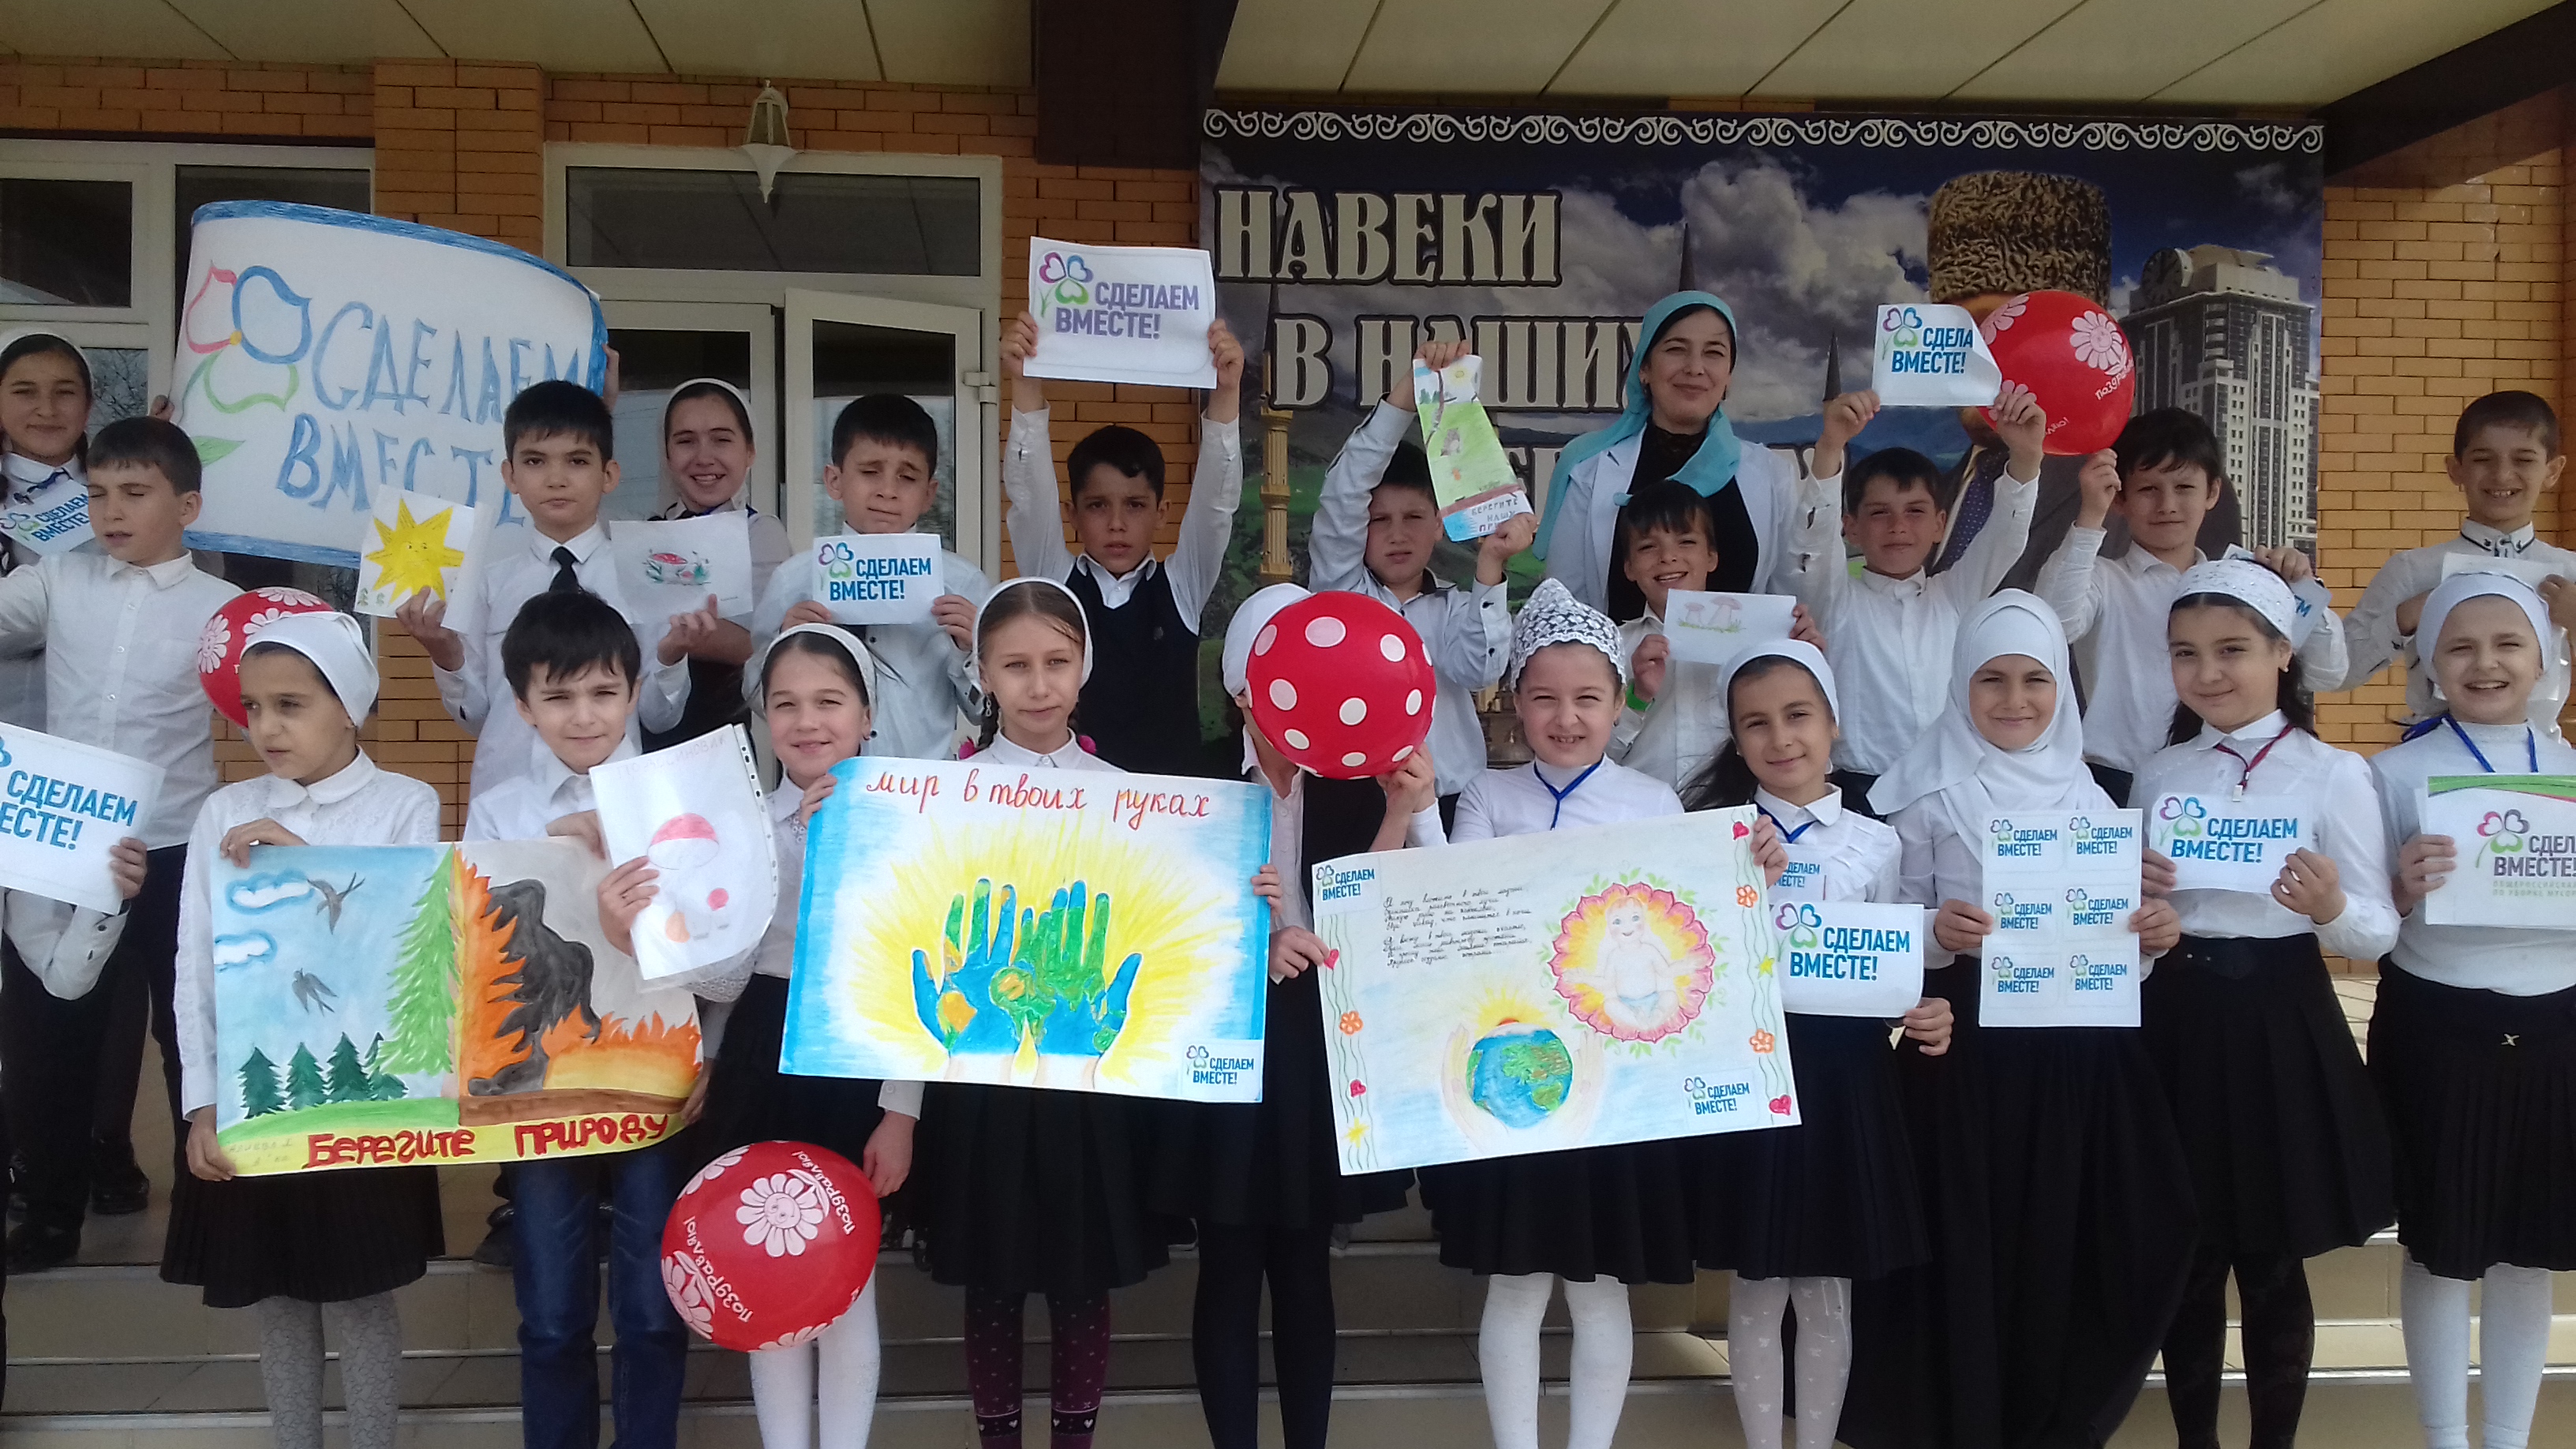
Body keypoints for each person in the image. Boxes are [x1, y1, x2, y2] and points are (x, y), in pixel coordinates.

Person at [912, 577, 1279, 1449]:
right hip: (978, 1078)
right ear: (983, 674)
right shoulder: (940, 796)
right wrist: (902, 1104)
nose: (1039, 684)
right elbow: (912, 957)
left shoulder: (1131, 796)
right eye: (1016, 666)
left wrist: (1245, 899)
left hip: (1089, 1077)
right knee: (991, 1280)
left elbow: (1172, 933)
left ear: (1084, 668)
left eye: (1057, 662)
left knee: (1081, 1280)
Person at [1840, 592, 2192, 1449]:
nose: (2014, 699)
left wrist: (2151, 936)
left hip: (2077, 1057)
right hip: (1966, 1055)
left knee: (2072, 1235)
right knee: (1972, 1238)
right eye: (1991, 679)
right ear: (1960, 684)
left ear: (2062, 688)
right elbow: (1889, 932)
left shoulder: (2097, 802)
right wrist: (1935, 934)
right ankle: (1963, 1417)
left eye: (2036, 680)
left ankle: (2050, 1415)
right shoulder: (1920, 795)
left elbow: (2116, 946)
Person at [1422, 578, 1716, 1449]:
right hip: (1512, 1072)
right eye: (1544, 697)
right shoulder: (1487, 797)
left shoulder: (1653, 804)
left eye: (1588, 698)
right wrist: (1417, 811)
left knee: (1599, 1288)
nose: (1566, 717)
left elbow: (1683, 936)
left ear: (1620, 703)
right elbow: (1456, 904)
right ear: (1515, 701)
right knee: (1515, 1285)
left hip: (1615, 1087)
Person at [1148, 582, 1438, 1449]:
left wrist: (1400, 810)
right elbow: (1159, 922)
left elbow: (1369, 916)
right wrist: (1252, 944)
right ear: (1245, 690)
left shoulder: (1354, 782)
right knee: (1229, 1265)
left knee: (1307, 1264)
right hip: (1223, 1044)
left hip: (1319, 1049)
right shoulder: (1194, 776)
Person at [624, 622, 917, 1449]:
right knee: (765, 1272)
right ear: (762, 718)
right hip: (762, 1050)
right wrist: (713, 1057)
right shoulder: (741, 822)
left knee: (843, 1280)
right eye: (785, 704)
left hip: (856, 1051)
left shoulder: (907, 824)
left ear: (866, 715)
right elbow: (730, 972)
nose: (807, 721)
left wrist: (901, 1110)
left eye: (829, 701)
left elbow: (917, 980)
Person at [2129, 560, 2398, 1449]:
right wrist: (2140, 914)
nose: (2208, 672)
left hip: (2280, 1019)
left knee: (2272, 1262)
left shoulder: (2334, 773)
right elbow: (2128, 924)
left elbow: (2378, 931)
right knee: (2189, 1257)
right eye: (2186, 653)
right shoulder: (2160, 773)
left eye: (2233, 650)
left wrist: (2329, 907)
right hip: (2178, 1019)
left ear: (2284, 652)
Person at [167, 609, 445, 1449]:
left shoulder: (405, 805)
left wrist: (300, 863)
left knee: (360, 1293)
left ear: (348, 706)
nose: (267, 727)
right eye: (253, 707)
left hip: (366, 1095)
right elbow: (196, 965)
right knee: (280, 1298)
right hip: (261, 1093)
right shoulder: (224, 811)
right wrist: (203, 1103)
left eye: (291, 704)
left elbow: (402, 952)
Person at [1677, 638, 1949, 1449]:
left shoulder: (1878, 842)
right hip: (1756, 1069)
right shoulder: (1712, 839)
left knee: (1829, 1287)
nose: (1780, 738)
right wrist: (1742, 884)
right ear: (1736, 740)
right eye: (1755, 723)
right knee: (1758, 1285)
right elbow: (1692, 966)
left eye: (1798, 715)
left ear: (1833, 723)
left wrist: (1922, 1008)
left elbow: (1892, 962)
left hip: (1846, 1078)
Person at [462, 590, 702, 1449]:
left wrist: (707, 1056)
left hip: (657, 1075)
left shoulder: (682, 800)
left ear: (635, 692)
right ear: (523, 706)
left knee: (651, 1308)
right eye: (557, 696)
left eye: (603, 692)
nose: (584, 714)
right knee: (552, 1310)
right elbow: (484, 950)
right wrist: (559, 855)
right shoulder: (500, 812)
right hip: (542, 1086)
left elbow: (719, 942)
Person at [0, 414, 239, 1271]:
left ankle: (207, 1223)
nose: (111, 510)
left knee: (189, 1033)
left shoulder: (222, 612)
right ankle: (50, 1216)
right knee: (50, 1035)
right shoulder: (57, 579)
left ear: (187, 507)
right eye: (98, 492)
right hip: (65, 846)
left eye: (135, 493)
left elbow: (299, 693)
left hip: (176, 849)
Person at [2369, 571, 2576, 1449]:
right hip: (2437, 1027)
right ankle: (2446, 1437)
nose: (2485, 664)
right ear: (2430, 662)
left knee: (2529, 1252)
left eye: (2507, 644)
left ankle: (2508, 1439)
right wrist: (2398, 887)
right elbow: (2361, 923)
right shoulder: (2391, 772)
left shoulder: (2571, 770)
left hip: (2558, 1027)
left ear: (2544, 657)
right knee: (2441, 1247)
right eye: (2460, 646)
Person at [0, 331, 163, 1228]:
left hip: (85, 777)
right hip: (9, 758)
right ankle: (28, 1144)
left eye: (65, 391)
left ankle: (105, 1138)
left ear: (89, 405)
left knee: (105, 966)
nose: (46, 408)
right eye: (24, 390)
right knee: (23, 973)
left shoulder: (112, 496)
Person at [1911, 172, 2239, 586]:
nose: (1981, 356)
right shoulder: (1929, 492)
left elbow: (2209, 609)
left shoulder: (2148, 486)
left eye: (2007, 333)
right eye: (1963, 331)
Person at [400, 379, 702, 802]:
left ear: (609, 474)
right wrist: (446, 656)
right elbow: (477, 717)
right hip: (508, 796)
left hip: (612, 800)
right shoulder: (486, 584)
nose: (556, 479)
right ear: (510, 475)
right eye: (535, 461)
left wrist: (672, 656)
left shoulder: (643, 577)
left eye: (577, 461)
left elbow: (659, 717)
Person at [2035, 409, 2338, 805]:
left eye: (2184, 487)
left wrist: (2300, 588)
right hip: (2114, 782)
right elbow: (2054, 623)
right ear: (2120, 498)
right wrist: (2091, 514)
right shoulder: (2104, 579)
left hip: (2224, 775)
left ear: (2212, 493)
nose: (2167, 505)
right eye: (2148, 489)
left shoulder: (2241, 583)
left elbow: (2329, 673)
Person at [1000, 311, 1245, 775]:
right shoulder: (1055, 582)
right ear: (1071, 514)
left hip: (1171, 805)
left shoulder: (1182, 587)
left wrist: (1227, 392)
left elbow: (1216, 507)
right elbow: (1029, 499)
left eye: (1134, 505)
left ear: (1162, 513)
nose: (1116, 524)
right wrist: (1025, 380)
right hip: (1073, 801)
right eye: (1097, 506)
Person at [1782, 385, 2046, 792]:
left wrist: (2026, 458)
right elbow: (1813, 545)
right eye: (1879, 513)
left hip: (1951, 787)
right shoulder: (1834, 601)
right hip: (1861, 790)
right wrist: (1831, 445)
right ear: (1850, 527)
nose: (1899, 527)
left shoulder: (1955, 595)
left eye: (1915, 512)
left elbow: (2006, 538)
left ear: (1940, 524)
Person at [1306, 339, 1523, 817]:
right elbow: (1344, 493)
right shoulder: (1343, 597)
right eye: (1379, 521)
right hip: (1356, 799)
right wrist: (1409, 392)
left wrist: (1491, 564)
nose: (1397, 535)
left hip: (1450, 801)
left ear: (1440, 524)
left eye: (1414, 518)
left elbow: (1481, 671)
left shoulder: (1458, 608)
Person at [1534, 291, 1803, 615]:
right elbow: (1564, 608)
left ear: (1729, 376)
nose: (1695, 368)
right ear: (1644, 368)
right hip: (1617, 650)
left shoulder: (1772, 476)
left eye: (1714, 353)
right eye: (1676, 349)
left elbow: (1788, 603)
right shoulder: (1589, 471)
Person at [2327, 390, 2576, 736]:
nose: (2503, 475)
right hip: (2433, 751)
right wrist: (2404, 617)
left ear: (2553, 470)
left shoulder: (2569, 573)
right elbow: (2339, 672)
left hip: (2539, 755)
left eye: (2524, 460)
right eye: (2483, 459)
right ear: (2456, 469)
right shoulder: (2413, 570)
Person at [753, 395, 987, 762]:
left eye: (907, 477)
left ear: (929, 494)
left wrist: (972, 652)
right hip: (825, 782)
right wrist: (782, 648)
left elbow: (983, 711)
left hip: (924, 784)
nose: (887, 491)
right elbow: (756, 697)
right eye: (869, 472)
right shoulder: (795, 581)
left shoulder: (963, 585)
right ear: (834, 480)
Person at [1608, 478, 1822, 791]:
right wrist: (1637, 697)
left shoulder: (1764, 638)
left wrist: (1805, 661)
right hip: (1643, 811)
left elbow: (1800, 732)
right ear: (1629, 568)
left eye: (1686, 542)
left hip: (1738, 807)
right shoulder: (1612, 646)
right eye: (1648, 547)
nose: (1668, 557)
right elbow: (1596, 755)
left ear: (1712, 557)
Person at [642, 378, 792, 749]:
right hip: (640, 739)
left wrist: (662, 629)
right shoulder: (644, 536)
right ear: (667, 454)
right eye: (685, 441)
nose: (704, 457)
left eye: (722, 440)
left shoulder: (762, 533)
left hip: (721, 741)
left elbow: (768, 648)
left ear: (750, 452)